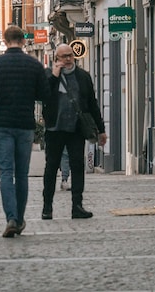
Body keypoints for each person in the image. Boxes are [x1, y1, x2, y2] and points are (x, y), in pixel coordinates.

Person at [0, 24, 52, 238]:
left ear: (4, 39)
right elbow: (44, 96)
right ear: (22, 41)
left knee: (6, 173)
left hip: (1, 124)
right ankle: (19, 219)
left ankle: (11, 217)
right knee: (22, 174)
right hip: (25, 124)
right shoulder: (34, 65)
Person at [42, 43, 107, 220]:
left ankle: (77, 206)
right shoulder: (48, 75)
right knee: (51, 168)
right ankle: (47, 207)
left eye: (70, 55)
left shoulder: (83, 76)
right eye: (64, 56)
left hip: (76, 129)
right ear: (57, 59)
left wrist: (101, 130)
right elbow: (43, 96)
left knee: (77, 166)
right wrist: (55, 76)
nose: (68, 59)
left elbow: (92, 104)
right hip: (54, 129)